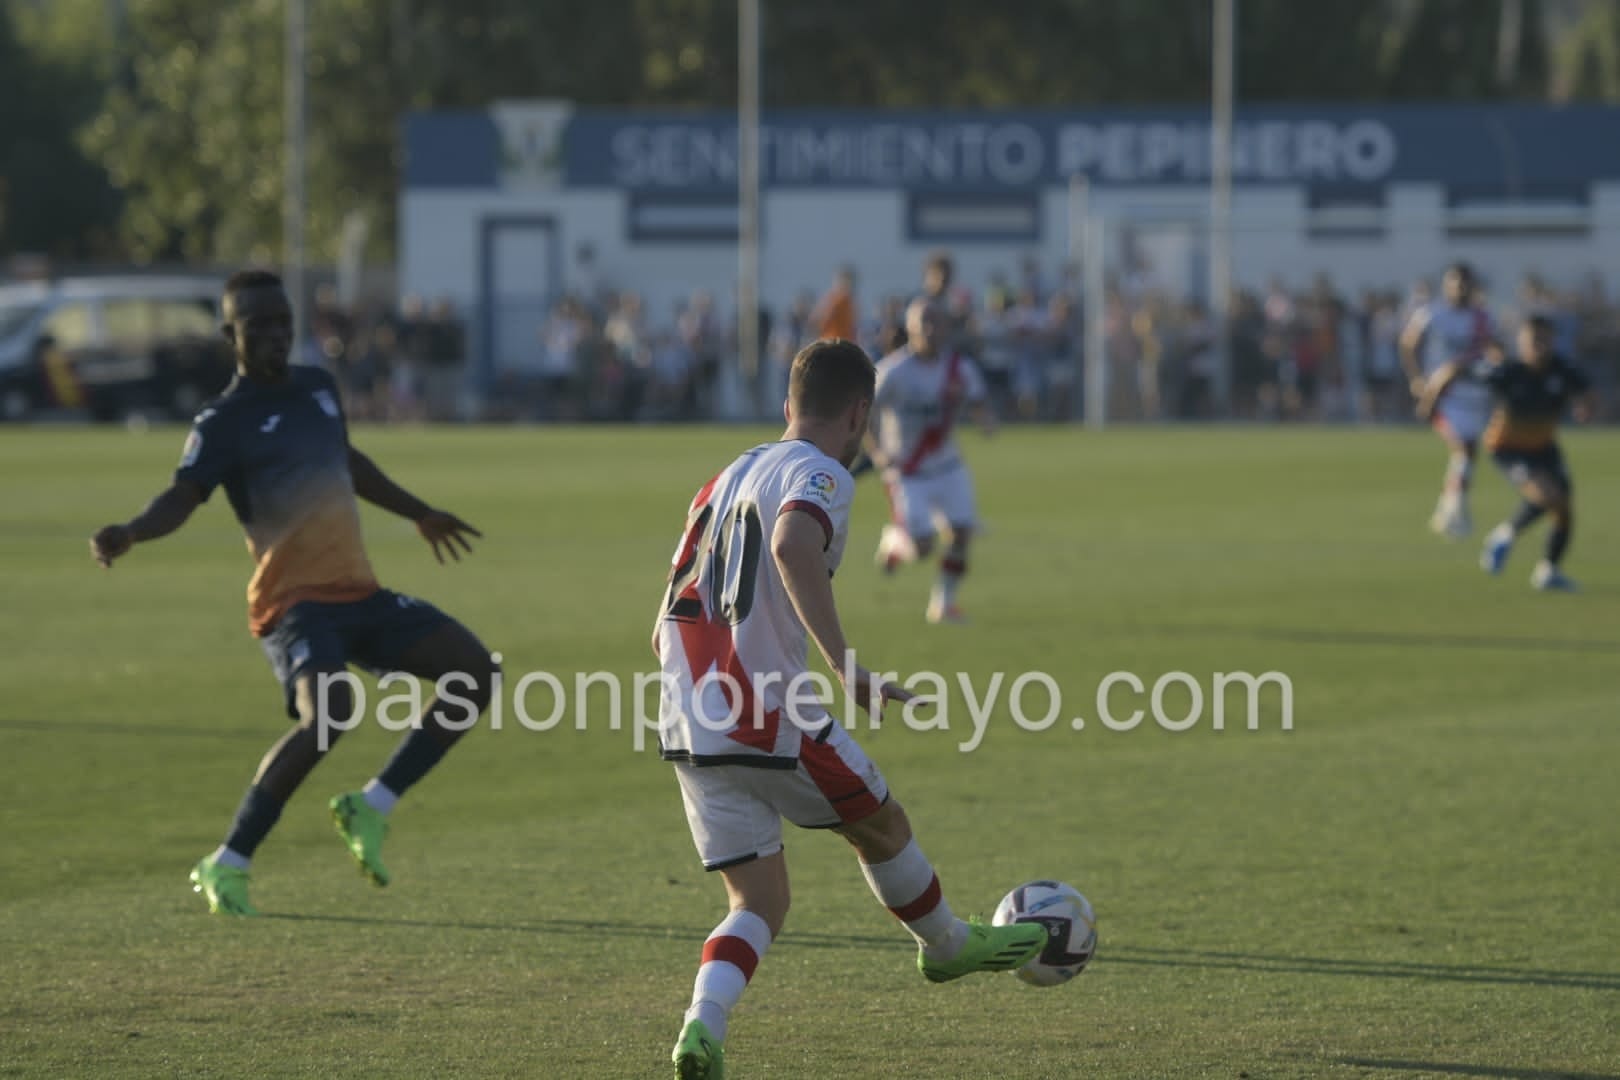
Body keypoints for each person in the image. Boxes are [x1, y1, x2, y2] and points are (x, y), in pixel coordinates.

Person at [655, 339, 1047, 1079]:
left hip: (685, 715)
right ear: (862, 414)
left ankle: (700, 1028)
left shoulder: (726, 474)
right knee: (882, 825)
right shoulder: (822, 472)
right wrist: (844, 663)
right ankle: (947, 948)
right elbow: (791, 542)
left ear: (788, 404)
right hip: (764, 711)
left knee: (758, 900)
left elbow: (669, 611)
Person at [89, 270, 497, 916]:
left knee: (475, 673)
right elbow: (183, 495)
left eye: (284, 322)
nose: (279, 335)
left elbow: (348, 461)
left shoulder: (317, 387)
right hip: (294, 605)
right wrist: (133, 532)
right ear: (232, 335)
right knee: (332, 712)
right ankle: (228, 861)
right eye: (261, 326)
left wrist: (418, 512)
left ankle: (372, 805)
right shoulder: (223, 421)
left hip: (357, 591)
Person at [1417, 315, 1595, 591]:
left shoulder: (1562, 370)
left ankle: (1548, 571)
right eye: (1533, 340)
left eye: (1544, 339)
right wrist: (1431, 400)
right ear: (1521, 343)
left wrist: (1585, 406)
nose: (1539, 346)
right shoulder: (1508, 372)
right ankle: (1503, 536)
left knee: (1564, 509)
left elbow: (1587, 392)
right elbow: (1454, 369)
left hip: (1544, 446)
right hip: (1508, 447)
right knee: (1547, 495)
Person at [868, 298, 996, 624]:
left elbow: (977, 400)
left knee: (962, 533)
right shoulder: (892, 371)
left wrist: (985, 421)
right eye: (923, 322)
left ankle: (943, 604)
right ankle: (895, 541)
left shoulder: (959, 368)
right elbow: (865, 411)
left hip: (948, 465)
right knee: (923, 548)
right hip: (908, 471)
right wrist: (877, 452)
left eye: (936, 322)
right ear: (909, 328)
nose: (930, 329)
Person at [1400, 263, 1499, 538]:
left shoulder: (1482, 317)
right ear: (1446, 284)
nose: (1460, 288)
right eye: (1455, 282)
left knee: (1466, 454)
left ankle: (1446, 510)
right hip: (1442, 395)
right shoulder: (1432, 313)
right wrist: (1417, 379)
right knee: (1464, 449)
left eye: (1465, 283)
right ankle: (1456, 512)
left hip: (1473, 395)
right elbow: (1408, 345)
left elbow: (1491, 350)